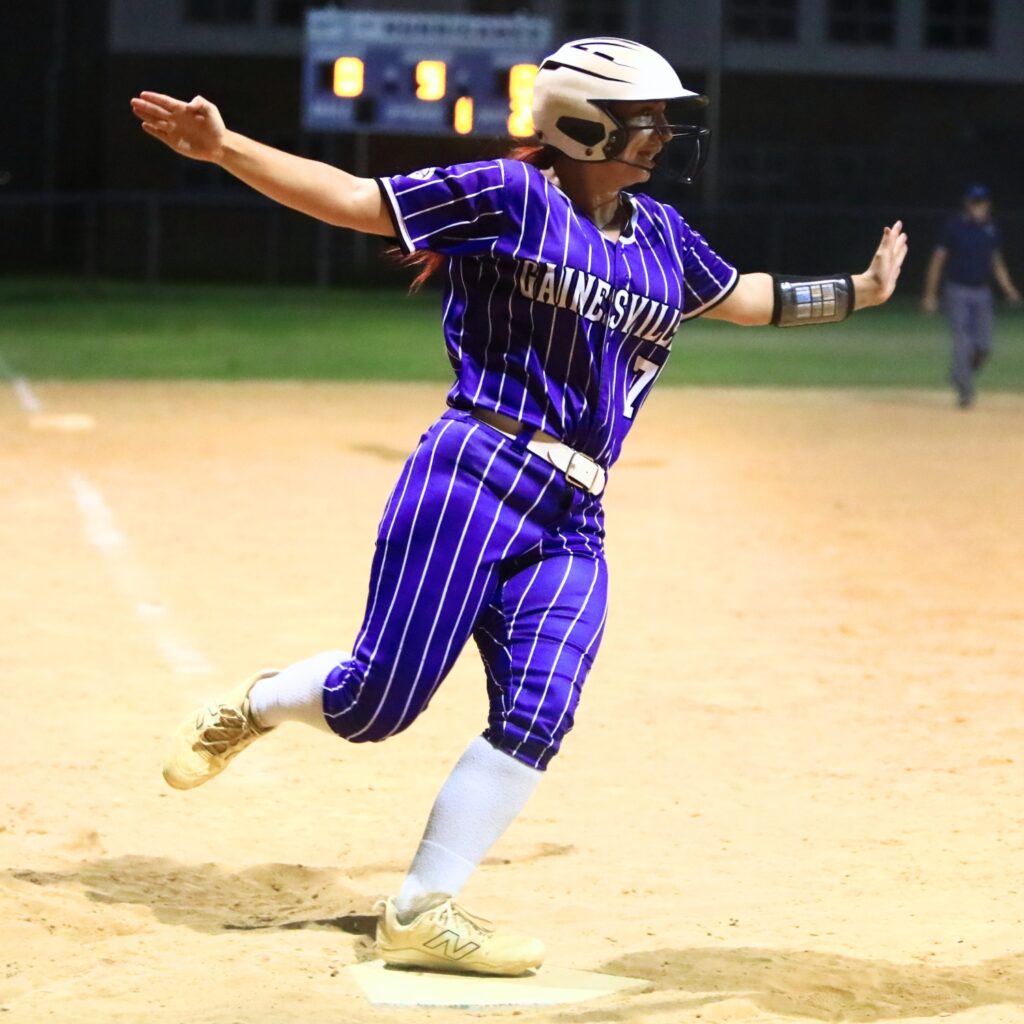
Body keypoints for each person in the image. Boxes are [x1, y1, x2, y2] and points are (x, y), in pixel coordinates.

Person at [131, 37, 907, 977]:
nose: (662, 137)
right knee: (376, 706)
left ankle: (421, 909)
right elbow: (352, 199)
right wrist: (226, 149)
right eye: (644, 121)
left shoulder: (659, 234)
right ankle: (254, 704)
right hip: (475, 474)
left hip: (576, 510)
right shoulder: (509, 195)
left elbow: (742, 297)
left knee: (543, 705)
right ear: (582, 128)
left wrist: (859, 293)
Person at [922, 184, 1021, 408]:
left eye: (983, 203)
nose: (979, 207)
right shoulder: (953, 228)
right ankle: (965, 390)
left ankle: (959, 372)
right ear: (967, 204)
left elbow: (996, 262)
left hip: (982, 291)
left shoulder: (991, 229)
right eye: (975, 202)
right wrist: (930, 294)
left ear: (988, 205)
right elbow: (938, 261)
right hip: (957, 290)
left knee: (984, 346)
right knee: (962, 342)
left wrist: (1009, 289)